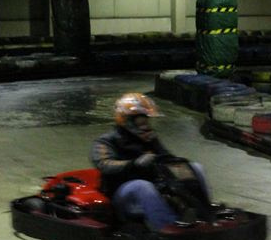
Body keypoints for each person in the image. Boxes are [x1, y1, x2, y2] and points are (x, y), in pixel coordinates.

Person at [90, 93, 209, 232]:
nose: (146, 125)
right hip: (120, 193)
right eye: (141, 121)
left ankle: (204, 213)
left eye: (146, 120)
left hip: (156, 186)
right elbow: (104, 164)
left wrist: (176, 162)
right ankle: (167, 227)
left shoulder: (149, 138)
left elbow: (166, 158)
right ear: (127, 120)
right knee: (142, 186)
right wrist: (134, 163)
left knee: (195, 167)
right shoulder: (106, 141)